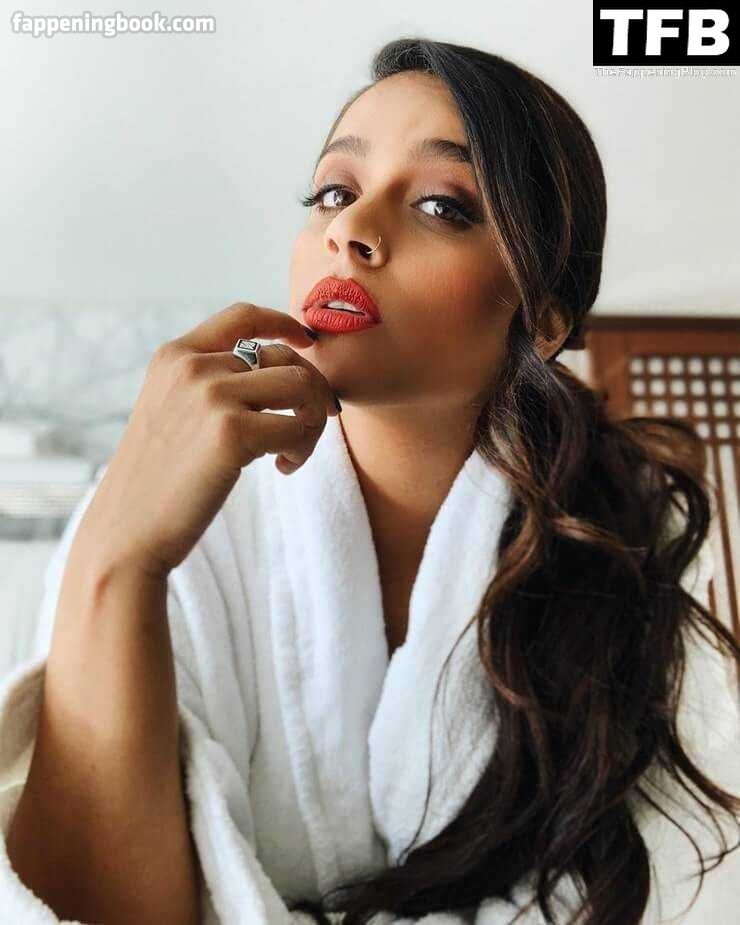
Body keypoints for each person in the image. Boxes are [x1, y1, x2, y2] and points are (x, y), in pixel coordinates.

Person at [1, 36, 739, 925]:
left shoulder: (626, 535)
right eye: (334, 191)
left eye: (440, 205)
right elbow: (85, 907)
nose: (349, 229)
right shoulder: (172, 513)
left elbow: (673, 888)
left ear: (541, 318)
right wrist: (117, 553)